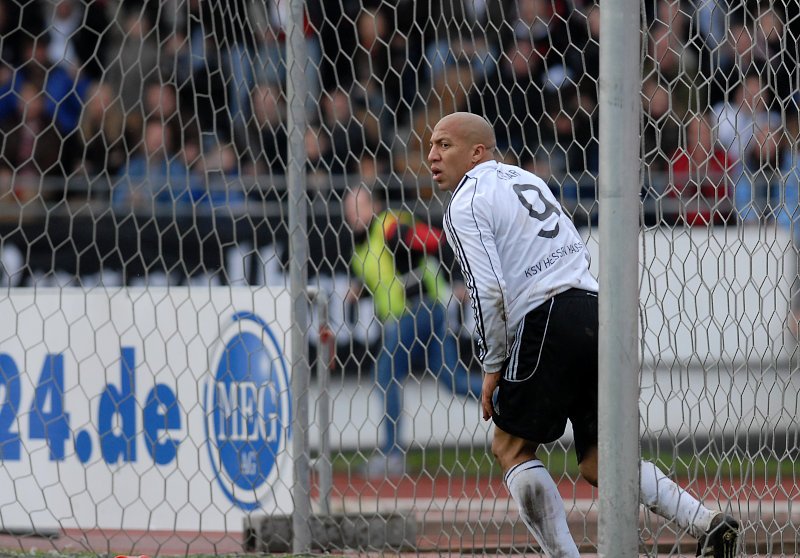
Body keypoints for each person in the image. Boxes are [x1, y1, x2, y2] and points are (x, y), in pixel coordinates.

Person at [430, 111, 740, 557]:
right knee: (599, 462)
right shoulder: (526, 182)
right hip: (593, 311)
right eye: (432, 145)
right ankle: (705, 521)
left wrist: (492, 364)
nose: (432, 156)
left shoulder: (466, 201)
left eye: (445, 145)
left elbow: (488, 289)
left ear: (477, 152)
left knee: (511, 446)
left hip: (545, 319)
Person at [344, 184, 482, 478]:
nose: (352, 214)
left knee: (385, 375)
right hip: (414, 315)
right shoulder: (359, 248)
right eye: (349, 208)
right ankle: (506, 397)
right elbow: (375, 279)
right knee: (451, 379)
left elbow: (437, 241)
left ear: (375, 205)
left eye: (358, 206)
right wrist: (356, 291)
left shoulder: (391, 228)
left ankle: (393, 455)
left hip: (417, 310)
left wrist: (457, 278)